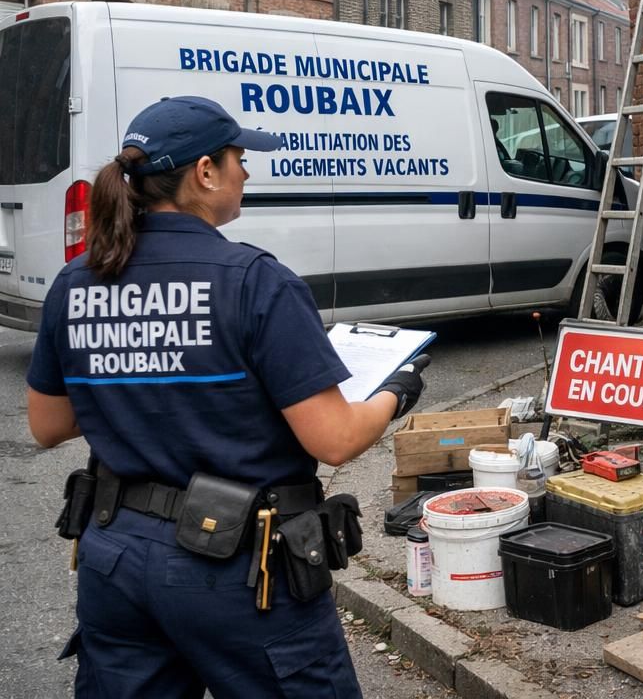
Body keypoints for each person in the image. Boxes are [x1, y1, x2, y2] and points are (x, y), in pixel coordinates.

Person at [26, 96, 428, 698]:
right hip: (239, 567)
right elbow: (335, 438)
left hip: (115, 558)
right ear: (205, 171)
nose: (246, 171)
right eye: (239, 158)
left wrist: (141, 381)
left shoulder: (79, 278)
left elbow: (48, 424)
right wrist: (397, 391)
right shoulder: (253, 279)